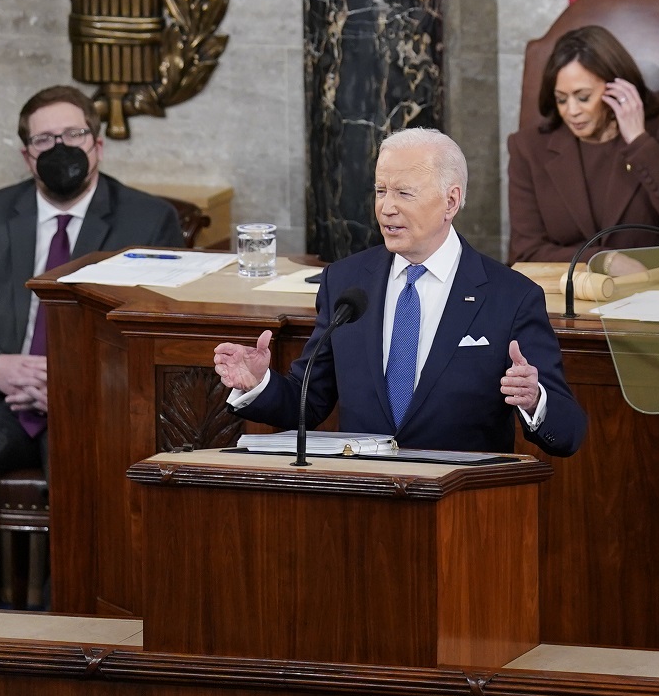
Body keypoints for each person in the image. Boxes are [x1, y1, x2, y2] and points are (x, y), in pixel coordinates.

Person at [0, 84, 185, 607]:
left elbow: (158, 336)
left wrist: (76, 387)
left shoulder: (147, 219)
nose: (60, 148)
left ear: (98, 145)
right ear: (27, 154)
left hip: (93, 406)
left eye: (73, 134)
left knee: (88, 490)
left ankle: (63, 628)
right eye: (45, 138)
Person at [215, 128, 587, 457]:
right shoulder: (345, 282)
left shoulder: (511, 296)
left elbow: (568, 434)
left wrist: (535, 400)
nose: (385, 207)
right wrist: (257, 384)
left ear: (451, 202)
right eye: (380, 190)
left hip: (461, 508)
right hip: (363, 501)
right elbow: (308, 401)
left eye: (404, 193)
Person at [507, 25, 659, 264]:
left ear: (617, 88)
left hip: (652, 291)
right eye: (561, 99)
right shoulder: (529, 148)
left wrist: (639, 142)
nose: (572, 111)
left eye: (583, 97)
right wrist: (605, 261)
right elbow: (525, 252)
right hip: (565, 293)